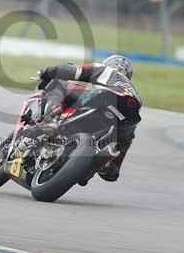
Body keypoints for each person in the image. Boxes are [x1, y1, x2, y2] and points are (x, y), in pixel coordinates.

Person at [32, 54, 142, 184]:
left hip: (104, 98)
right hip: (130, 115)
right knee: (121, 145)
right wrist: (112, 169)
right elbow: (113, 174)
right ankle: (100, 165)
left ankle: (50, 121)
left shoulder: (106, 70)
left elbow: (74, 71)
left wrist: (46, 72)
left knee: (58, 82)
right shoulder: (133, 91)